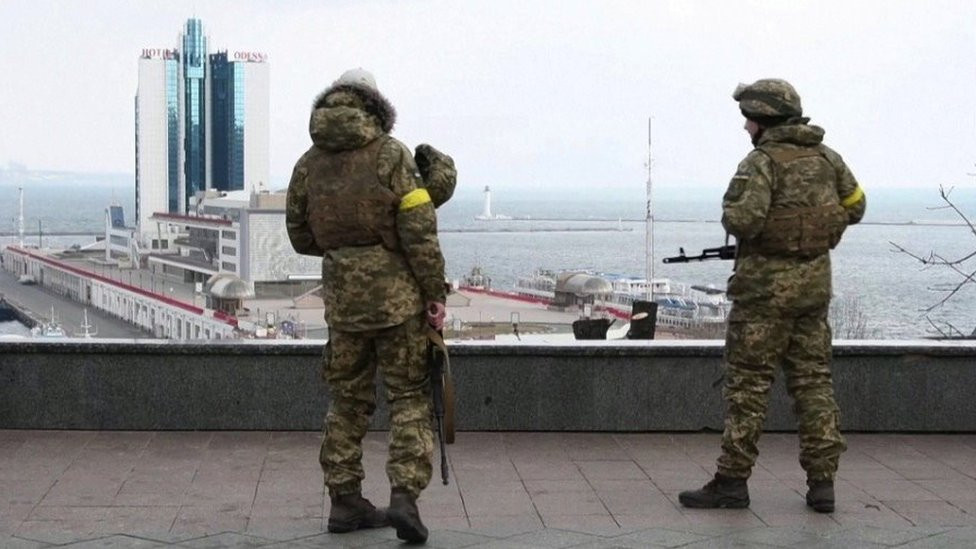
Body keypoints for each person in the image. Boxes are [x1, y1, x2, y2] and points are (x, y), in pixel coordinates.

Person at [679, 79, 866, 513]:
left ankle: (731, 482)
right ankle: (822, 485)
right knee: (813, 385)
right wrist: (818, 224)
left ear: (764, 119)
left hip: (762, 299)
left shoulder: (760, 163)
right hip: (812, 295)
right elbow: (856, 205)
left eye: (749, 119)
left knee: (748, 388)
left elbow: (742, 220)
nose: (746, 127)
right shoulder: (828, 158)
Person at [286, 68, 454, 543]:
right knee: (409, 396)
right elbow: (419, 232)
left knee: (347, 400)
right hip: (398, 303)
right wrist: (434, 294)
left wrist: (345, 252)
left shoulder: (308, 164)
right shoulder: (390, 154)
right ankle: (404, 497)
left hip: (343, 304)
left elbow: (300, 236)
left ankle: (344, 502)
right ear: (374, 105)